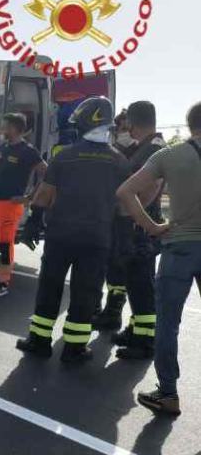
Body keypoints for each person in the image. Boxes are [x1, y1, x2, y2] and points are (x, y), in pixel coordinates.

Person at [16, 96, 130, 364]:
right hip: (97, 238)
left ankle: (40, 341)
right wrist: (124, 236)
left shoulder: (64, 156)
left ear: (82, 123)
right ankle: (75, 348)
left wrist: (34, 219)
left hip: (61, 235)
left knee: (51, 286)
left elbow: (44, 193)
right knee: (86, 292)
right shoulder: (120, 161)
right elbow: (125, 204)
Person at [119, 102, 201, 416]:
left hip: (179, 246)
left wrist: (152, 227)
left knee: (168, 324)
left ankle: (167, 394)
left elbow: (126, 192)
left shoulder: (169, 154)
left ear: (189, 124)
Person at [111, 101, 166, 359]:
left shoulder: (153, 150)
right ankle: (136, 329)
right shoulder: (143, 147)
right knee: (135, 282)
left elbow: (151, 185)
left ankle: (144, 341)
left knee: (142, 284)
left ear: (133, 122)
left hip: (139, 225)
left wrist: (132, 213)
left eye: (127, 124)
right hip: (137, 223)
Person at [0, 113, 46, 297]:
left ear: (15, 128)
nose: (1, 129)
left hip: (10, 204)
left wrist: (29, 197)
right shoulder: (1, 149)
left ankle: (2, 282)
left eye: (5, 126)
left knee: (5, 244)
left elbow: (46, 173)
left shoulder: (28, 151)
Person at [92, 109, 140, 330]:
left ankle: (113, 312)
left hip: (123, 219)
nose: (120, 132)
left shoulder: (132, 152)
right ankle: (107, 311)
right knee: (108, 268)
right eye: (118, 128)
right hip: (108, 216)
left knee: (118, 268)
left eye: (122, 128)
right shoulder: (117, 151)